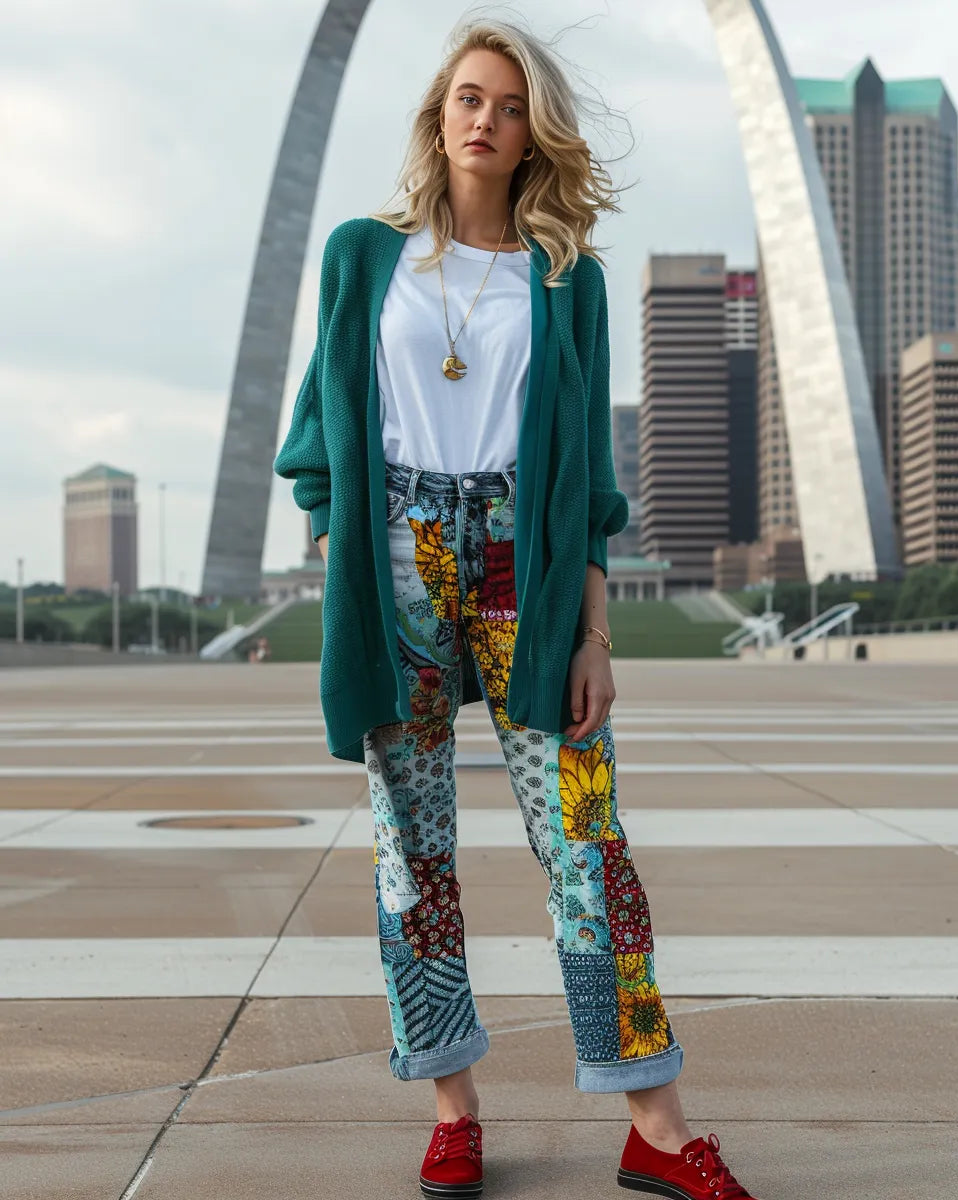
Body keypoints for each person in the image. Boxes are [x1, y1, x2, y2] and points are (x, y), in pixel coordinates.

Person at [275, 16, 759, 1200]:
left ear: (531, 129)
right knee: (413, 852)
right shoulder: (359, 257)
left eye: (504, 103)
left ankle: (655, 1118)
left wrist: (595, 633)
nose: (483, 119)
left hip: (524, 573)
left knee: (588, 840)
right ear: (437, 120)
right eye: (466, 99)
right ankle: (453, 1104)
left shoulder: (567, 281)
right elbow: (314, 448)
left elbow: (591, 485)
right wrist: (344, 559)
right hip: (396, 565)